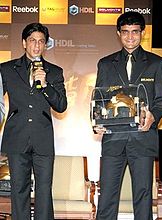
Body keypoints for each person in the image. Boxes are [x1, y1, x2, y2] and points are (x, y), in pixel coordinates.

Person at [94, 11, 162, 220]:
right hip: (113, 138)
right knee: (107, 196)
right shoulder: (105, 63)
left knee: (143, 197)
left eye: (135, 32)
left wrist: (153, 116)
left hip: (142, 137)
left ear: (142, 33)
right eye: (125, 32)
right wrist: (97, 122)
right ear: (118, 33)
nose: (130, 37)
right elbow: (100, 100)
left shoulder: (157, 63)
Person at [0, 23, 67, 220]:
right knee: (18, 190)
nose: (36, 46)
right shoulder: (6, 69)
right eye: (32, 41)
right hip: (16, 137)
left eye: (41, 42)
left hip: (43, 139)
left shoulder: (54, 71)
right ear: (24, 43)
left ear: (46, 45)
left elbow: (61, 105)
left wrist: (45, 85)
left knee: (44, 191)